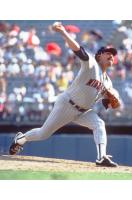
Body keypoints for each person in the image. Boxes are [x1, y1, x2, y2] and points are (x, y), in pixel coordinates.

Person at [9, 22, 120, 167]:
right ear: (99, 56)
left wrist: (111, 101)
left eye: (113, 54)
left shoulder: (108, 82)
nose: (111, 56)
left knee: (99, 124)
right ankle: (20, 139)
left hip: (83, 111)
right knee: (44, 134)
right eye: (108, 53)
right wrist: (63, 32)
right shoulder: (91, 64)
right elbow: (78, 50)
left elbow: (106, 103)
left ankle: (102, 157)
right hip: (67, 104)